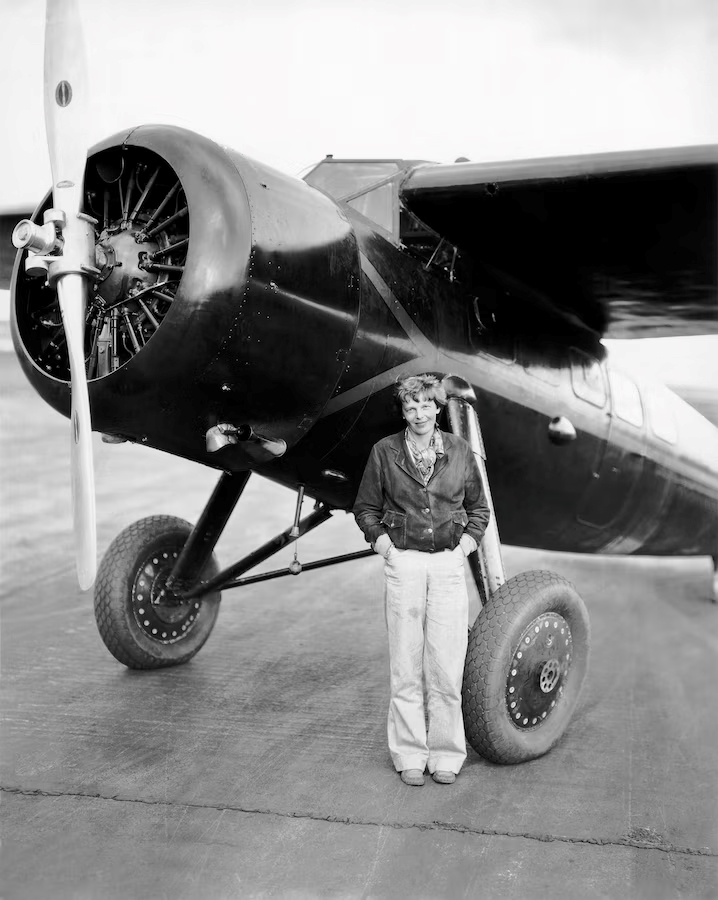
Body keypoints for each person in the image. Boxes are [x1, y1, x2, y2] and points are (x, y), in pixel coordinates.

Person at [353, 374, 490, 786]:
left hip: (447, 565)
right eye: (410, 407)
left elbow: (479, 510)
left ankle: (446, 753)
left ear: (437, 408)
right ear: (404, 411)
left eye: (425, 406)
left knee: (446, 667)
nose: (418, 414)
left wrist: (462, 550)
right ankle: (410, 753)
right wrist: (387, 550)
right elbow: (365, 509)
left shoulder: (460, 451)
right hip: (404, 565)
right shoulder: (385, 452)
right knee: (406, 665)